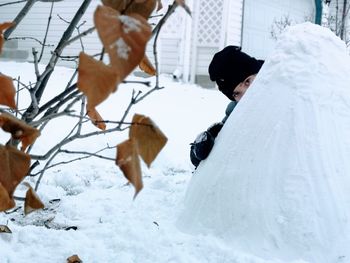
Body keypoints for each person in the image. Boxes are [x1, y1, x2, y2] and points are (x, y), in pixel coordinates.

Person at [190, 46, 264, 168]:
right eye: (237, 93)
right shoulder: (236, 111)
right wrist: (203, 145)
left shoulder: (288, 87)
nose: (246, 94)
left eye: (247, 81)